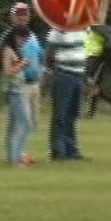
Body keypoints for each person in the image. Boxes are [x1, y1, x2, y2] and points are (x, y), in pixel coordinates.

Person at [46, 26, 87, 161]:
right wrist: (51, 71)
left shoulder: (85, 29)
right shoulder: (59, 29)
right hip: (64, 73)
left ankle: (71, 149)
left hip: (79, 74)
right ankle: (58, 150)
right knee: (61, 114)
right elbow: (50, 52)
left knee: (73, 114)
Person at [0, 26, 34, 167]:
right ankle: (17, 157)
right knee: (25, 124)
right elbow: (7, 71)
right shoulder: (7, 50)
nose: (23, 42)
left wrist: (22, 64)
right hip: (15, 91)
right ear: (16, 37)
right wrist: (22, 64)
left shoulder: (14, 50)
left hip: (19, 89)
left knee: (15, 125)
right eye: (22, 38)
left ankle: (13, 157)